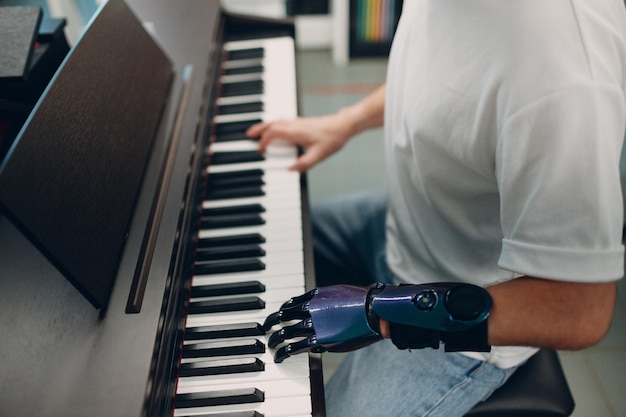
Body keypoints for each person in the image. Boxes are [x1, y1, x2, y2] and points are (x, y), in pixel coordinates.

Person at [247, 1, 626, 416]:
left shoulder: (561, 76)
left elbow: (579, 311)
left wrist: (383, 314)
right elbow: (452, 73)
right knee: (246, 247)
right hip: (415, 225)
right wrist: (346, 121)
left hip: (473, 297)